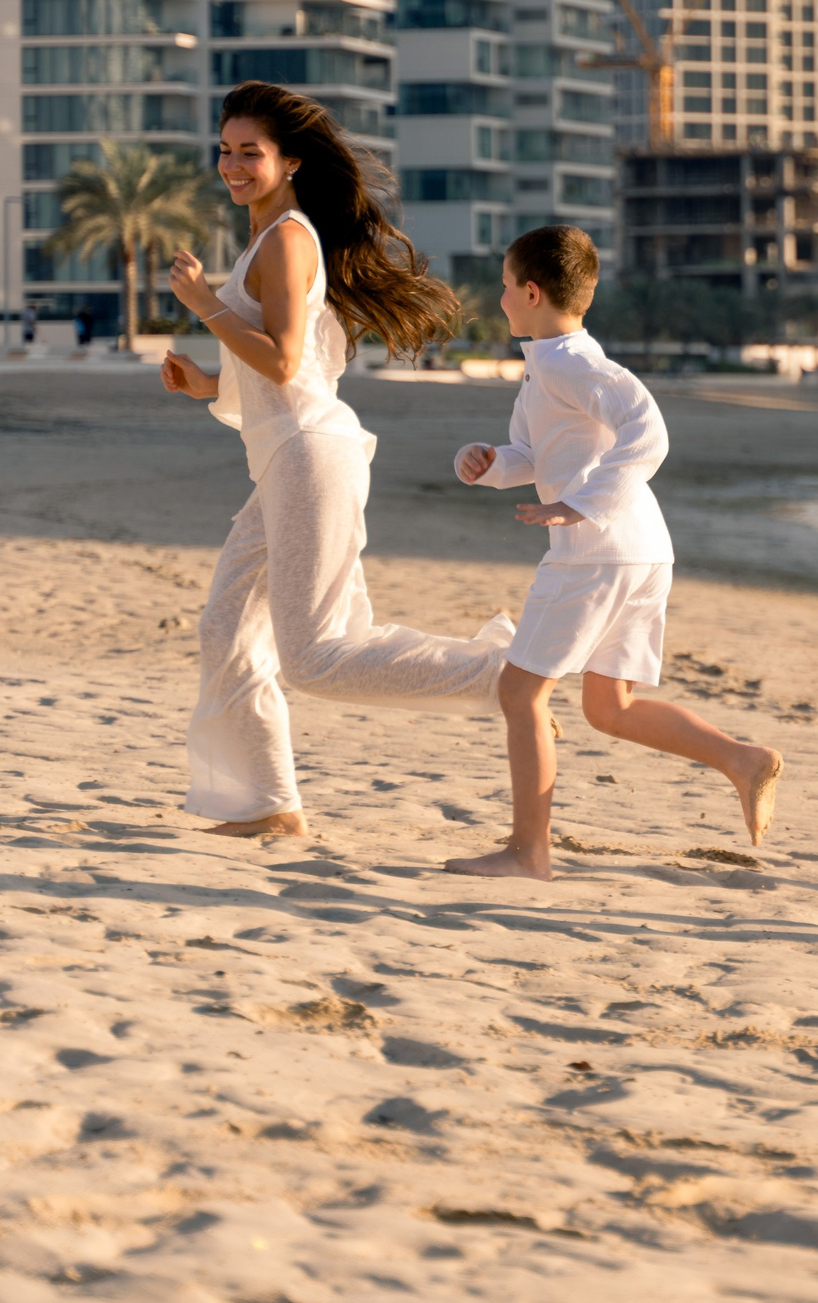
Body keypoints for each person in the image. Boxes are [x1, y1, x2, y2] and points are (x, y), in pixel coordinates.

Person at [156, 81, 515, 839]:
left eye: (249, 152)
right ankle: (269, 805)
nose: (232, 164)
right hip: (287, 459)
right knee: (226, 625)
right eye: (225, 149)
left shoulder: (288, 237)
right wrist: (209, 383)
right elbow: (280, 371)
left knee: (316, 657)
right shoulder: (270, 238)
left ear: (288, 161)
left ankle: (503, 676)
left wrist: (201, 305)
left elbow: (286, 364)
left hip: (310, 458)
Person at [443, 225, 783, 880]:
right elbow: (533, 456)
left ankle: (528, 852)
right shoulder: (550, 363)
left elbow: (648, 432)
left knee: (520, 693)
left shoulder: (575, 363)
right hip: (638, 551)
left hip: (597, 551)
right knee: (608, 708)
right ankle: (743, 759)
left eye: (507, 285)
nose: (501, 295)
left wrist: (582, 504)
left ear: (532, 292)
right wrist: (484, 463)